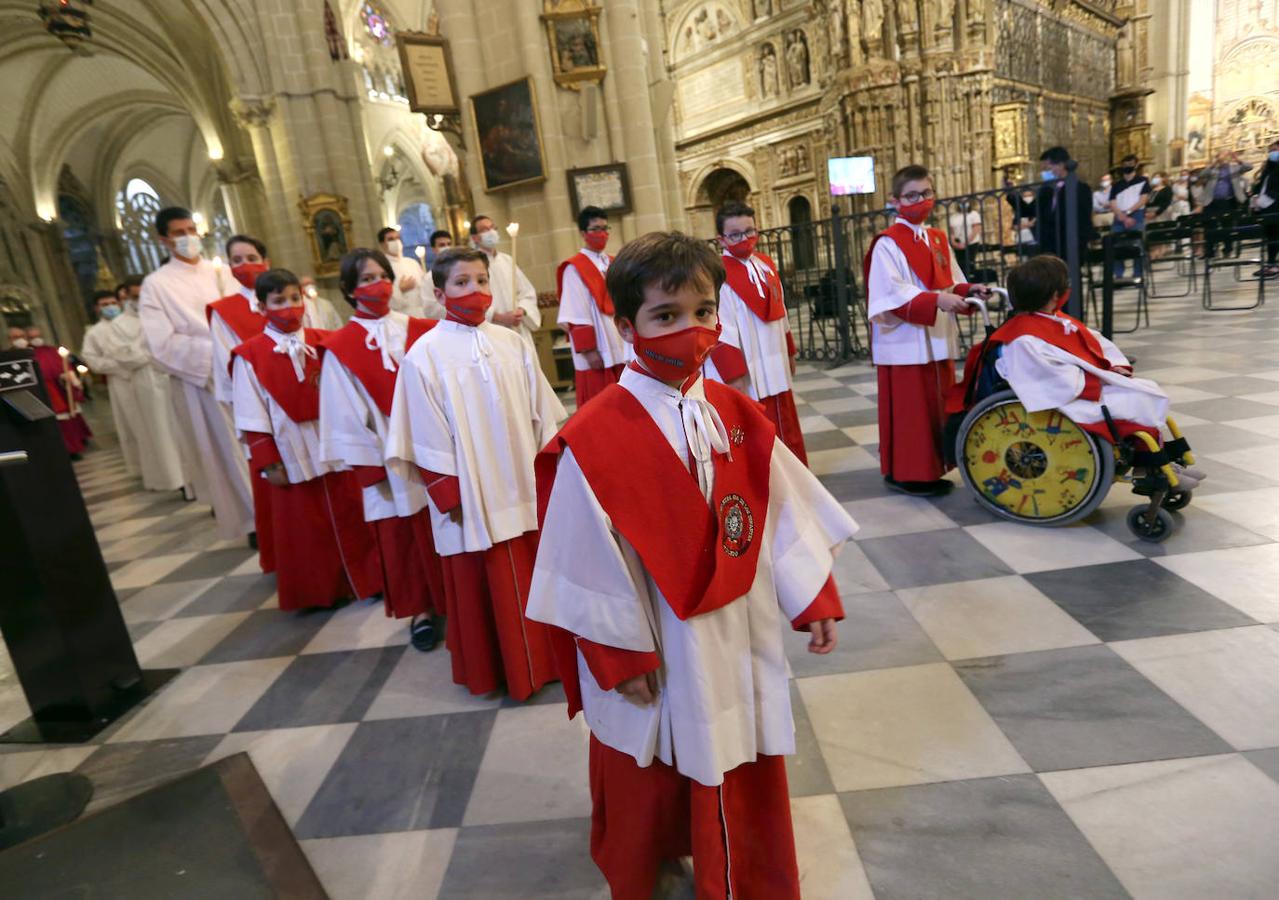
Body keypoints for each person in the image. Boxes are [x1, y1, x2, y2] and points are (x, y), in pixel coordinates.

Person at [527, 231, 859, 898]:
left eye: (703, 312)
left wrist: (812, 594)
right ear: (625, 327)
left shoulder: (735, 413)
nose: (692, 330)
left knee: (735, 735)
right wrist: (618, 656)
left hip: (739, 626)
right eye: (666, 316)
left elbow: (781, 511)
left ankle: (742, 866)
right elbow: (578, 560)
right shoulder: (595, 435)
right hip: (654, 633)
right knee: (654, 752)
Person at [385, 247, 566, 699]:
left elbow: (544, 416)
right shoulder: (423, 355)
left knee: (535, 572)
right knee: (488, 587)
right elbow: (423, 435)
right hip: (474, 498)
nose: (475, 291)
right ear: (439, 291)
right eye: (462, 282)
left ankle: (548, 661)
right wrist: (450, 496)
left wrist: (551, 475)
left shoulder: (514, 344)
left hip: (522, 485)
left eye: (482, 281)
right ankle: (500, 670)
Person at [230, 268, 383, 611]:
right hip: (292, 449)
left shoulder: (325, 340)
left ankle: (368, 579)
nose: (290, 307)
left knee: (352, 513)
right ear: (262, 306)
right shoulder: (249, 355)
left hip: (333, 444)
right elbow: (251, 415)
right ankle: (319, 590)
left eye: (295, 299)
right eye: (279, 301)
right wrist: (268, 461)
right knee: (305, 526)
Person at [318, 247, 446, 651]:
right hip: (389, 460)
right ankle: (421, 610)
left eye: (383, 275)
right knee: (402, 537)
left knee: (445, 525)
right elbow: (343, 414)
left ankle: (453, 602)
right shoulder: (340, 347)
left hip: (435, 449)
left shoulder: (422, 328)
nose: (379, 285)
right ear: (349, 290)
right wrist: (373, 471)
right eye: (368, 279)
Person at [987, 255, 1206, 489]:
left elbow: (1093, 342)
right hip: (1064, 401)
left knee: (1143, 393)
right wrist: (1098, 378)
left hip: (1080, 389)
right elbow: (1050, 380)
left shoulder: (1052, 319)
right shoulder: (1023, 339)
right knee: (1138, 400)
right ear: (1054, 295)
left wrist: (1112, 366)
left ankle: (1160, 464)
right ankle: (1153, 470)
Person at [864, 164, 990, 496]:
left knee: (937, 405)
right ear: (895, 201)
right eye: (912, 195)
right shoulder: (887, 245)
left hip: (936, 338)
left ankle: (933, 469)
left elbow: (952, 280)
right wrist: (937, 300)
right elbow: (890, 292)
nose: (921, 200)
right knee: (912, 412)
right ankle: (907, 473)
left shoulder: (936, 238)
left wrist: (968, 291)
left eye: (926, 193)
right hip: (905, 342)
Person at [139, 206, 256, 542]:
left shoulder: (223, 272)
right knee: (228, 452)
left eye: (191, 229)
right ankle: (253, 522)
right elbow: (160, 344)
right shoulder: (156, 285)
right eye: (179, 233)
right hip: (204, 379)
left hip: (247, 371)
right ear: (164, 240)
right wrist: (217, 355)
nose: (188, 237)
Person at [704, 201, 808, 464]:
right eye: (735, 234)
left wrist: (790, 352)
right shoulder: (716, 275)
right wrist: (734, 374)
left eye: (750, 231)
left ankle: (795, 473)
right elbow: (719, 326)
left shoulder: (766, 265)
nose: (745, 239)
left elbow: (780, 310)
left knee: (783, 417)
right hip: (747, 369)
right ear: (721, 239)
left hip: (775, 359)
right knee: (754, 425)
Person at [81, 289, 186, 492]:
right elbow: (92, 359)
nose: (110, 307)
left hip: (147, 376)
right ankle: (146, 467)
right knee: (135, 425)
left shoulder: (135, 321)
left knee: (160, 425)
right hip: (120, 381)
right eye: (104, 304)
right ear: (96, 308)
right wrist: (121, 367)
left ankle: (172, 468)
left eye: (112, 302)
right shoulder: (94, 333)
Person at [555, 205, 629, 407]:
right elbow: (575, 311)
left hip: (622, 344)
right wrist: (588, 350)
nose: (602, 233)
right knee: (601, 405)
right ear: (583, 233)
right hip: (599, 350)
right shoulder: (574, 268)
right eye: (596, 228)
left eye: (605, 228)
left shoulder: (613, 262)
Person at [468, 215, 540, 345]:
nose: (491, 232)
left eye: (493, 228)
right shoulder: (472, 265)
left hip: (519, 328)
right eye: (485, 230)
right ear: (475, 238)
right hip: (493, 331)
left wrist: (521, 310)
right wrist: (499, 317)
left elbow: (527, 293)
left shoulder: (507, 260)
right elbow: (472, 300)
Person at [23, 324, 92, 458]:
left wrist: (71, 378)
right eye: (32, 337)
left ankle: (76, 443)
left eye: (37, 335)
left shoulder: (51, 350)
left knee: (69, 418)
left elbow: (64, 366)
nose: (36, 338)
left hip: (61, 388)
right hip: (45, 391)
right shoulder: (28, 353)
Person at [1035, 146, 1097, 262]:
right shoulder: (1046, 190)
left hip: (1070, 240)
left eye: (1049, 166)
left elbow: (1082, 216)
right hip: (1050, 242)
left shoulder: (1080, 188)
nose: (1047, 171)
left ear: (1061, 165)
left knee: (1071, 274)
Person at [1194, 150, 1253, 258]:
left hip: (1228, 201)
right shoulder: (1213, 170)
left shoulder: (1234, 168)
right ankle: (1209, 251)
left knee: (1227, 226)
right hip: (1211, 201)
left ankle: (1227, 250)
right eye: (1220, 156)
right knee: (1209, 226)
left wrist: (1237, 159)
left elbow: (1249, 167)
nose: (1223, 159)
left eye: (1225, 156)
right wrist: (1214, 163)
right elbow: (1201, 174)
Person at [1108, 154, 1151, 279]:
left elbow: (1143, 199)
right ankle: (1118, 274)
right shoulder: (1116, 184)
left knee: (1137, 245)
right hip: (1119, 217)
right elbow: (1112, 202)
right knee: (1115, 244)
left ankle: (1137, 274)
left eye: (1130, 164)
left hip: (1136, 216)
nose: (1127, 166)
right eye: (1125, 164)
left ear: (1136, 165)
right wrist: (1121, 215)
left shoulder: (1142, 181)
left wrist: (1128, 212)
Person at [378, 226, 434, 318]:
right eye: (391, 239)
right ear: (382, 244)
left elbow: (426, 286)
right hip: (401, 316)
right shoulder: (382, 268)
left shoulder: (412, 262)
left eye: (398, 238)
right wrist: (400, 289)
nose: (396, 242)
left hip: (423, 313)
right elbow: (382, 300)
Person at [1249, 140, 1279, 278]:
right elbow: (1261, 185)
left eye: (1275, 150)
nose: (1272, 153)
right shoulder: (1269, 169)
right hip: (1267, 207)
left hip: (1275, 205)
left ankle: (1273, 265)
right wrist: (1256, 196)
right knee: (1271, 236)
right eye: (1271, 151)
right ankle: (1271, 264)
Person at [947, 197, 983, 275]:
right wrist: (954, 243)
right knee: (961, 265)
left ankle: (972, 281)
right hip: (958, 244)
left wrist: (966, 242)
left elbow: (976, 229)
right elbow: (951, 232)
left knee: (969, 263)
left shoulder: (974, 214)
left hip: (971, 243)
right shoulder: (954, 216)